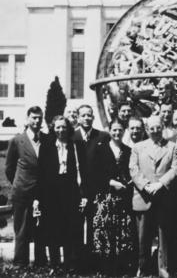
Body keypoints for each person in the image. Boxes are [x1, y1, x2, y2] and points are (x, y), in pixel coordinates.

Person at [129, 116, 177, 278]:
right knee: (143, 238)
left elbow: (175, 169)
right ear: (146, 129)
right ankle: (142, 268)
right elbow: (133, 169)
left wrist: (161, 184)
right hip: (144, 198)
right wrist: (146, 186)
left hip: (164, 198)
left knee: (164, 236)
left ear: (163, 127)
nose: (155, 131)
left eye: (158, 127)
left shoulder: (172, 147)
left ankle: (163, 269)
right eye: (152, 128)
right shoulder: (138, 147)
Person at [34, 116, 80, 268]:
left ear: (68, 129)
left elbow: (80, 170)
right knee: (52, 227)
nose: (61, 130)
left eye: (64, 127)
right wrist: (38, 198)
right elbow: (40, 173)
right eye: (58, 127)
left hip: (69, 190)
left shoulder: (74, 145)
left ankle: (68, 263)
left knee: (68, 226)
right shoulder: (47, 146)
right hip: (51, 193)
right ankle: (54, 263)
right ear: (53, 129)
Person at [91, 119, 135, 275]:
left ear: (124, 132)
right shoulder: (100, 149)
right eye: (114, 130)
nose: (117, 133)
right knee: (106, 230)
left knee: (121, 231)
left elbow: (131, 171)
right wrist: (110, 182)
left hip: (123, 198)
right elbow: (94, 173)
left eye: (120, 130)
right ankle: (105, 267)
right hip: (106, 196)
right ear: (109, 131)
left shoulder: (128, 150)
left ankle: (121, 265)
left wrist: (127, 183)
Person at [5, 106, 47, 267]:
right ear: (27, 119)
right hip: (22, 192)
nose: (37, 121)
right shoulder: (17, 140)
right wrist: (20, 183)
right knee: (21, 230)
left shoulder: (47, 139)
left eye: (39, 118)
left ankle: (41, 264)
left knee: (41, 229)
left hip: (43, 192)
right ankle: (20, 264)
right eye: (34, 117)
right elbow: (9, 168)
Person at [73, 104, 109, 267]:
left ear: (93, 117)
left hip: (96, 190)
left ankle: (94, 260)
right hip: (76, 190)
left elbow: (105, 166)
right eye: (83, 115)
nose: (87, 118)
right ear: (78, 118)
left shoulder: (102, 137)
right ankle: (78, 260)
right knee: (77, 226)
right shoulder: (71, 137)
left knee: (95, 225)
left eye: (90, 115)